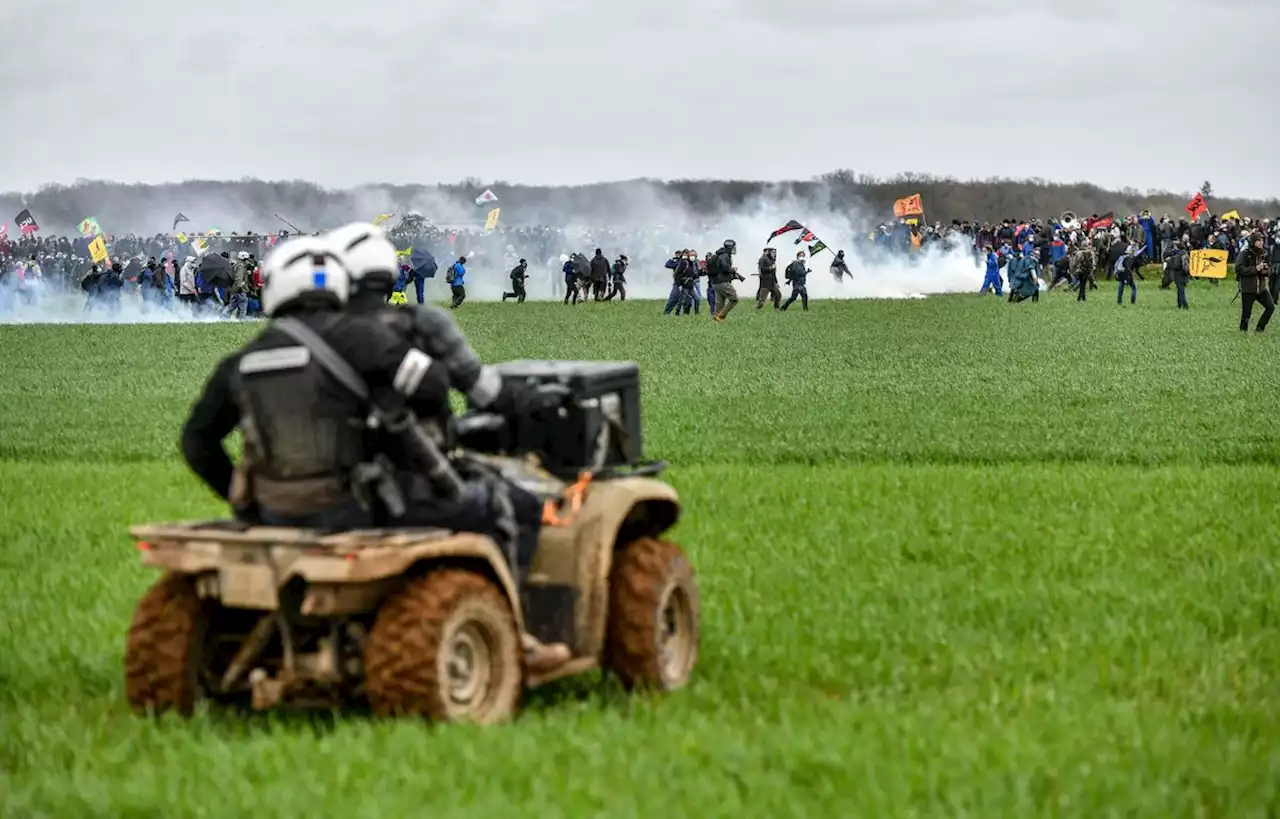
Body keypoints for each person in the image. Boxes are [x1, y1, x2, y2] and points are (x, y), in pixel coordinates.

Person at [326, 222, 571, 669]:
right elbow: (484, 393)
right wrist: (528, 401)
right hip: (410, 477)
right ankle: (512, 630)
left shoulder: (315, 334)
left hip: (327, 481)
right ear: (388, 270)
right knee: (519, 504)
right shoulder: (422, 323)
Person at [179, 235, 451, 532]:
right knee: (486, 505)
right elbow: (432, 384)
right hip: (355, 508)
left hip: (274, 513)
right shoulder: (365, 339)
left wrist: (248, 505)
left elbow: (197, 440)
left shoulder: (243, 360)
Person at [1236, 232, 1273, 332]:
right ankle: (1242, 333)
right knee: (1246, 315)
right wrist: (1255, 269)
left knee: (1271, 307)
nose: (1261, 242)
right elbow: (1239, 268)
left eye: (1262, 240)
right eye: (1258, 240)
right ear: (1253, 242)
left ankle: (1259, 329)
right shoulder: (1245, 253)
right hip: (1248, 288)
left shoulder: (1264, 253)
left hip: (1261, 288)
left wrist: (1265, 270)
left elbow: (1268, 270)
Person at [710, 239, 744, 322]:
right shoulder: (725, 255)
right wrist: (732, 269)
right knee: (734, 299)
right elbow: (725, 268)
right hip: (722, 282)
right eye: (733, 247)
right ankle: (721, 316)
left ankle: (716, 321)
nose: (734, 249)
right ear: (730, 247)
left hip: (716, 282)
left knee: (720, 303)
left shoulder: (720, 254)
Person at [1163, 238, 1190, 310]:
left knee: (1181, 291)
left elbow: (1176, 265)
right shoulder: (1185, 253)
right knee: (1180, 290)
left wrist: (1170, 261)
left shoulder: (1179, 255)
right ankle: (1179, 304)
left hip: (1179, 275)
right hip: (1185, 275)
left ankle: (1184, 305)